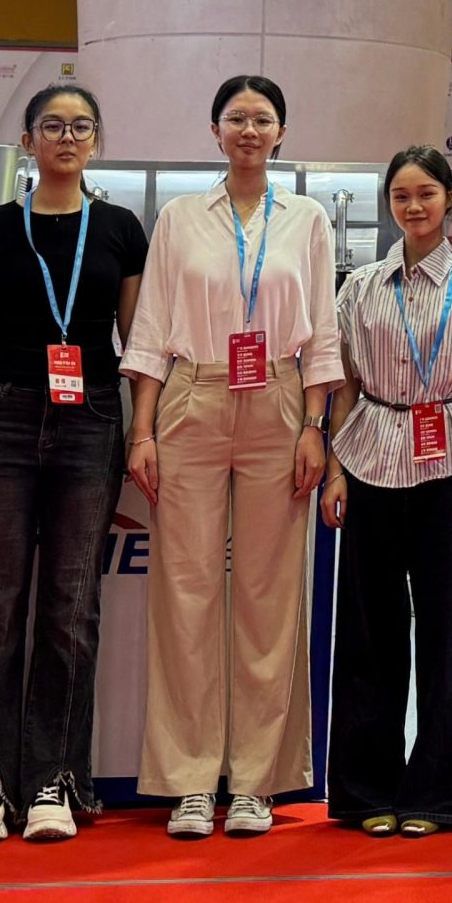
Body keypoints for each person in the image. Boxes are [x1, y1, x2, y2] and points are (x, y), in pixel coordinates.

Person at [122, 76, 341, 839]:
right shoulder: (180, 217)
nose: (249, 129)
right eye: (236, 117)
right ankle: (188, 779)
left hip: (279, 399)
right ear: (215, 130)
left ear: (281, 132)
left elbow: (323, 332)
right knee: (184, 589)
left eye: (263, 118)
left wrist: (315, 423)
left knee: (267, 592)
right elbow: (151, 329)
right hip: (193, 396)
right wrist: (142, 430)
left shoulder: (307, 218)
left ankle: (255, 780)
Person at [0, 84, 146, 844]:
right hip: (0, 413)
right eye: (52, 126)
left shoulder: (120, 228)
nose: (66, 137)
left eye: (81, 126)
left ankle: (57, 776)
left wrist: (145, 428)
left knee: (71, 606)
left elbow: (138, 342)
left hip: (91, 419)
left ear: (96, 141)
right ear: (27, 141)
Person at [321, 146, 452, 838]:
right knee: (368, 635)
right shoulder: (360, 287)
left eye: (426, 192)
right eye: (401, 195)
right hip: (371, 457)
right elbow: (344, 386)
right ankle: (366, 791)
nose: (414, 206)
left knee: (450, 633)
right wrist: (335, 468)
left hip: (450, 464)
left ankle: (438, 793)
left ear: (449, 198)